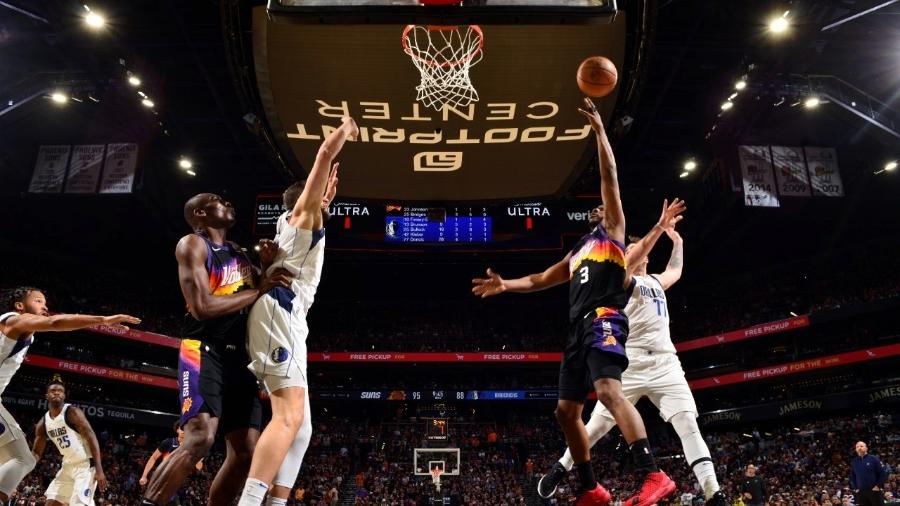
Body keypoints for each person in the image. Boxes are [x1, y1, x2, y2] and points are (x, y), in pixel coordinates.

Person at [471, 98, 677, 506]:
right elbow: (540, 278)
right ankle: (590, 488)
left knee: (607, 389)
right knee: (565, 412)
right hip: (576, 328)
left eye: (603, 205)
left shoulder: (614, 233)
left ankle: (654, 474)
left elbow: (610, 177)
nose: (600, 206)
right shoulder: (579, 250)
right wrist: (507, 285)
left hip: (604, 317)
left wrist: (601, 134)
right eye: (597, 206)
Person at [537, 227, 727, 505]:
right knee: (596, 426)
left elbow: (676, 270)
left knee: (688, 424)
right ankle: (560, 468)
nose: (636, 256)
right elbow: (628, 265)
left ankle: (714, 493)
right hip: (630, 363)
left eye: (635, 252)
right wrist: (653, 235)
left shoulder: (656, 281)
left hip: (666, 363)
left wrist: (678, 242)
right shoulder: (618, 279)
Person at [140, 193, 293, 506]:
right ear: (200, 212)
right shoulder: (193, 245)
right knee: (201, 437)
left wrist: (262, 268)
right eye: (218, 200)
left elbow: (253, 297)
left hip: (240, 358)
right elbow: (203, 307)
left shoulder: (238, 253)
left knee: (248, 453)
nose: (229, 203)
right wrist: (260, 286)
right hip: (204, 349)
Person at [237, 116, 358, 506]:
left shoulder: (293, 224)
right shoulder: (301, 220)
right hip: (278, 313)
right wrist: (345, 130)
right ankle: (250, 502)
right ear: (307, 199)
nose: (323, 200)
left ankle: (275, 502)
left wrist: (322, 201)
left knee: (301, 427)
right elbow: (323, 154)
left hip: (290, 319)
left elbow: (312, 207)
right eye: (318, 197)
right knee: (286, 416)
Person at [0, 288, 139, 504]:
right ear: (19, 305)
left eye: (45, 302)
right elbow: (56, 323)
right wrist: (102, 319)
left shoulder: (11, 328)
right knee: (22, 459)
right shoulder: (16, 320)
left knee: (12, 459)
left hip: (81, 465)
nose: (45, 306)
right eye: (38, 301)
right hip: (72, 466)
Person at [31, 377, 106, 506]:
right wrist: (25, 466)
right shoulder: (43, 423)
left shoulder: (72, 412)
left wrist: (99, 470)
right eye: (53, 390)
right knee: (51, 502)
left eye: (60, 391)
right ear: (46, 396)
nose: (57, 393)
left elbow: (92, 437)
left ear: (64, 395)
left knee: (78, 504)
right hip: (67, 465)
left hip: (86, 466)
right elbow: (36, 452)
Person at [139, 422, 203, 505]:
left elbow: (198, 468)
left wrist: (198, 460)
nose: (184, 431)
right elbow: (153, 458)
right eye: (182, 428)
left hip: (178, 484)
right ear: (177, 430)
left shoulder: (192, 447)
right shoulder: (168, 442)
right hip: (161, 480)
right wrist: (144, 476)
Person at [851, 441, 886, 506]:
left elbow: (882, 474)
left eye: (861, 446)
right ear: (856, 449)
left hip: (874, 491)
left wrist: (878, 486)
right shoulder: (854, 462)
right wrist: (856, 488)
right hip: (861, 492)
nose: (859, 448)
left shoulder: (874, 459)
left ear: (866, 448)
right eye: (857, 447)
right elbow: (853, 476)